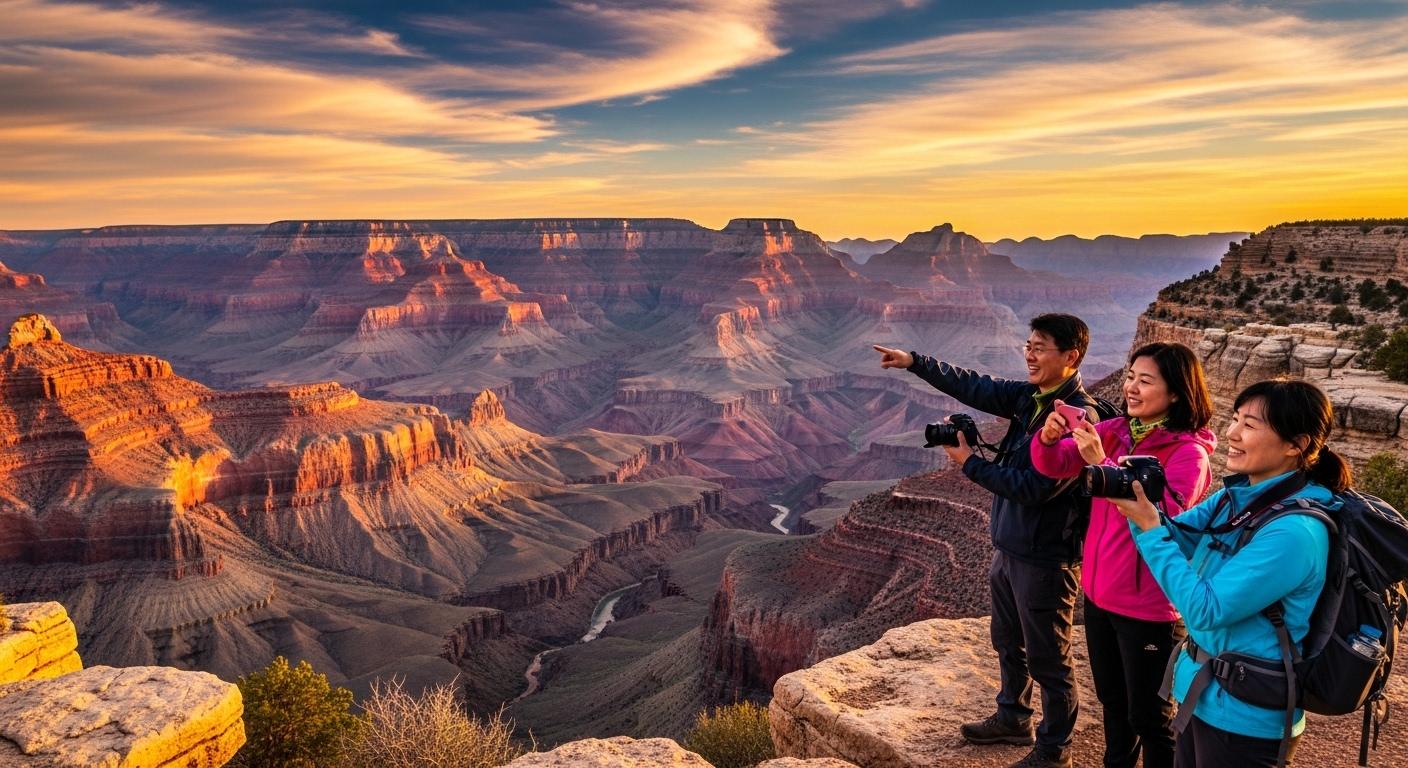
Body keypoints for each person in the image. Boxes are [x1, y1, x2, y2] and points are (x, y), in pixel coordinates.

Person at [875, 313, 1098, 768]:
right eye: (1028, 345)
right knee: (1008, 640)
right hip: (1011, 547)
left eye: (1040, 347)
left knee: (1049, 659)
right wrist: (913, 361)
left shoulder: (1078, 418)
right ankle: (1014, 717)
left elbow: (1035, 488)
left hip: (1047, 556)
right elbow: (973, 385)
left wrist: (968, 464)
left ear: (1071, 357)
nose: (1030, 354)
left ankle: (1053, 750)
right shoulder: (1030, 398)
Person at [1106, 380, 1349, 767]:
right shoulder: (1239, 496)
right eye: (1235, 419)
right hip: (1202, 693)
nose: (1232, 433)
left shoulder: (1295, 533)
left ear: (1296, 444)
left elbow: (1205, 609)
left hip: (1246, 717)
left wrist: (1149, 528)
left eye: (1250, 426)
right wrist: (1140, 508)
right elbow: (1178, 536)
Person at [1030, 342, 1216, 768]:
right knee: (1114, 706)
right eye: (1130, 376)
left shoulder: (1188, 454)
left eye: (1145, 381)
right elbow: (1054, 465)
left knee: (1150, 718)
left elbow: (1166, 519)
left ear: (1176, 393)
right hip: (1099, 596)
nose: (1131, 387)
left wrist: (1103, 462)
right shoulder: (1116, 430)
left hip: (1149, 607)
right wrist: (1048, 436)